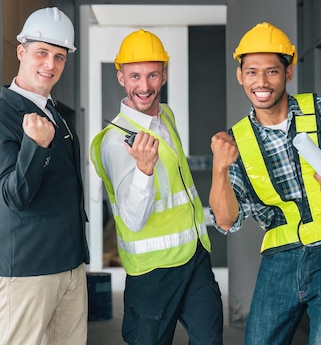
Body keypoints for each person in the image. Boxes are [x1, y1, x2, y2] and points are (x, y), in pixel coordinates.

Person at [209, 22, 321, 345]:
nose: (261, 82)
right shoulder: (236, 140)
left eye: (272, 71)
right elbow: (226, 220)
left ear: (289, 72)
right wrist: (219, 169)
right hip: (280, 259)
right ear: (240, 75)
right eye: (252, 72)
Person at [90, 29, 223, 345]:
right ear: (121, 77)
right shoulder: (115, 141)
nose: (144, 86)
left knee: (209, 339)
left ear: (164, 75)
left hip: (194, 259)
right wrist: (143, 171)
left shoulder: (167, 116)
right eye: (135, 75)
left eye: (152, 75)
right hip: (152, 273)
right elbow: (133, 219)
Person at [0, 7, 89, 345]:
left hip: (69, 262)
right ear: (21, 52)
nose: (50, 64)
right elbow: (14, 194)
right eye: (42, 52)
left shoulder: (54, 113)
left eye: (59, 56)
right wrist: (35, 146)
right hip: (27, 266)